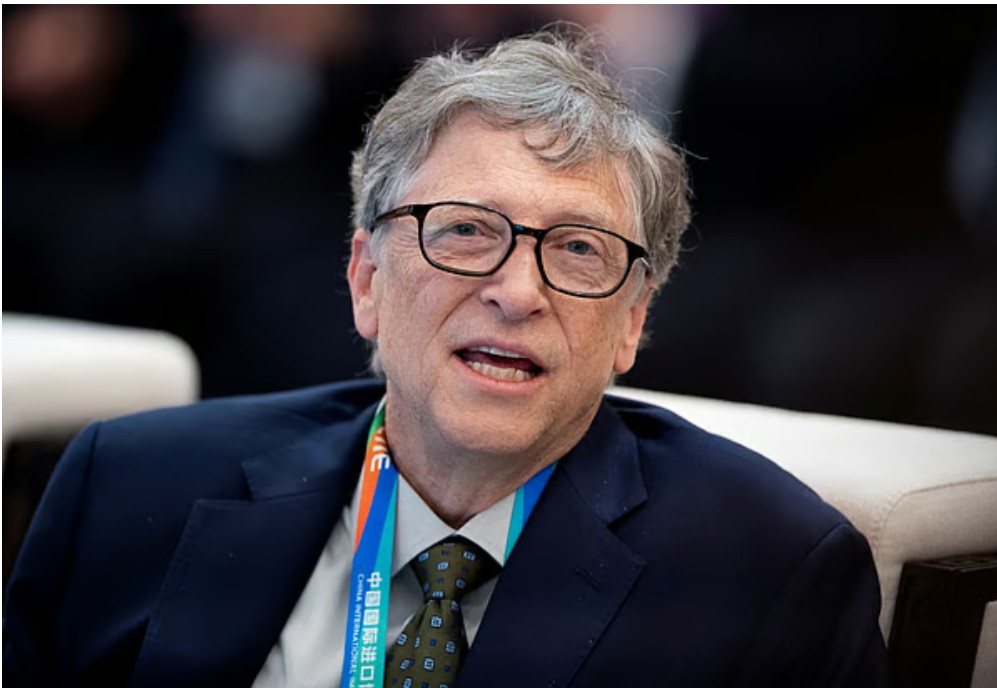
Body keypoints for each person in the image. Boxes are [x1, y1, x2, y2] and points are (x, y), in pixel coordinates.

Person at [3, 31, 889, 687]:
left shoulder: (767, 573)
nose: (518, 291)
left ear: (631, 322)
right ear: (365, 280)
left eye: (579, 249)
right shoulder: (129, 484)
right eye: (465, 230)